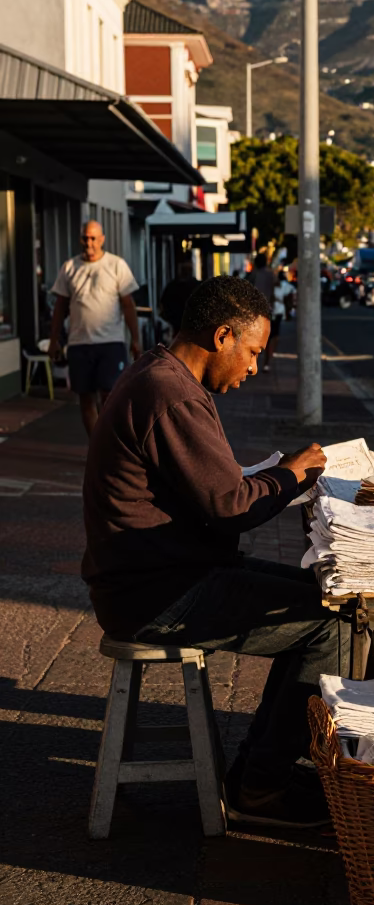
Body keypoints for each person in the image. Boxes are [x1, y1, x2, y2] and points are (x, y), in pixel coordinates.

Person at [82, 275, 336, 828]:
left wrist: (275, 477)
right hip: (155, 593)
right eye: (252, 353)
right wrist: (291, 475)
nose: (252, 368)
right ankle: (260, 788)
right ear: (223, 336)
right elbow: (231, 505)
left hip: (168, 572)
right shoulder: (169, 393)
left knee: (331, 599)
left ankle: (258, 768)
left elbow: (214, 491)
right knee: (334, 626)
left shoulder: (164, 376)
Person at [48, 220, 141, 437]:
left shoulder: (116, 265)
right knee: (85, 397)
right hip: (79, 343)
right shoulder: (69, 267)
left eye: (93, 238)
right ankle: (96, 445)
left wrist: (135, 339)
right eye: (85, 238)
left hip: (111, 342)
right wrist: (53, 340)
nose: (88, 242)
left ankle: (110, 442)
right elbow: (60, 307)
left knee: (110, 396)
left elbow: (128, 305)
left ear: (102, 240)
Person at [159, 254, 200, 338]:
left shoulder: (171, 286)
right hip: (190, 327)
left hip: (179, 328)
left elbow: (162, 307)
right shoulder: (197, 286)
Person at [250, 253, 278, 371]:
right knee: (270, 337)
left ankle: (252, 363)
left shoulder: (254, 274)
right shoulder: (271, 274)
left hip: (255, 310)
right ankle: (267, 363)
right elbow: (276, 287)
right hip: (268, 309)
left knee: (253, 338)